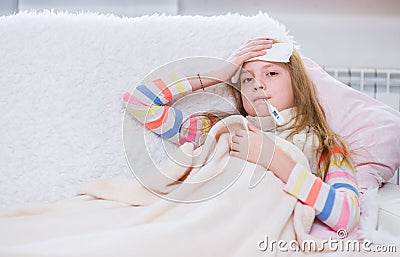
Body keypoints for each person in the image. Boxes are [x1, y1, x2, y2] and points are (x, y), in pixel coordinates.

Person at [123, 38, 360, 233]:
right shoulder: (218, 129)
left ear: (297, 84)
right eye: (247, 78)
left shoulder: (325, 147)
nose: (258, 84)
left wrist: (275, 160)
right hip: (201, 226)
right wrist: (216, 74)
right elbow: (139, 102)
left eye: (272, 74)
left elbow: (346, 217)